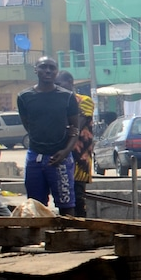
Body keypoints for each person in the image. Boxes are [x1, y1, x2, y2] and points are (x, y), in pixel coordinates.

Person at [17, 57, 81, 212]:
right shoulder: (24, 97)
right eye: (43, 67)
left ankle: (68, 236)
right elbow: (29, 125)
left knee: (66, 206)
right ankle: (39, 236)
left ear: (56, 71)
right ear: (35, 69)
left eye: (52, 68)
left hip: (60, 158)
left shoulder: (67, 97)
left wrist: (65, 152)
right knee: (34, 206)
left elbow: (75, 130)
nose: (47, 71)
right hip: (35, 157)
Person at [55, 70, 94, 217]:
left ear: (70, 83)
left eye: (59, 84)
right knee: (63, 195)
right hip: (61, 154)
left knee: (77, 196)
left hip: (80, 156)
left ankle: (80, 228)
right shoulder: (56, 101)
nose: (57, 87)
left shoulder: (84, 101)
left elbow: (76, 124)